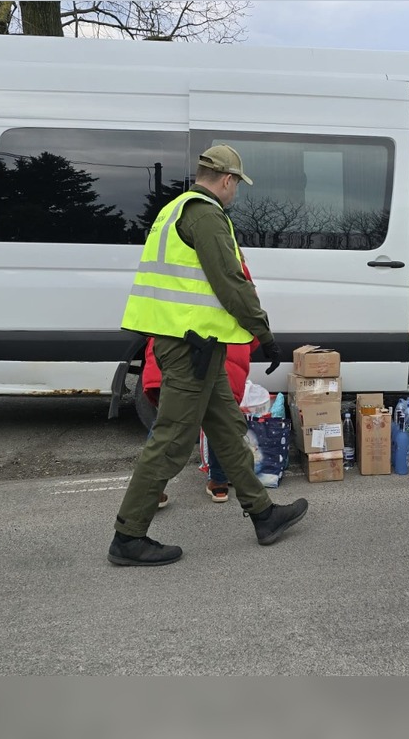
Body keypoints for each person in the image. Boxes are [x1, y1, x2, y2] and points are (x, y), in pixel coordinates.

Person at [107, 145, 308, 566]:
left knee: (226, 428)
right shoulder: (205, 214)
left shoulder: (175, 209)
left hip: (198, 345)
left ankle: (263, 513)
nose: (235, 193)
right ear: (228, 180)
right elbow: (230, 282)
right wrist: (263, 333)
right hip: (189, 348)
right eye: (236, 185)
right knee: (172, 441)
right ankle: (128, 536)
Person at [140, 258, 260, 505]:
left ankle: (153, 490)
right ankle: (219, 484)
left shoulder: (174, 261)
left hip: (178, 350)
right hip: (221, 351)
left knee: (168, 422)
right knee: (220, 422)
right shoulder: (232, 260)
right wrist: (254, 343)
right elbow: (248, 307)